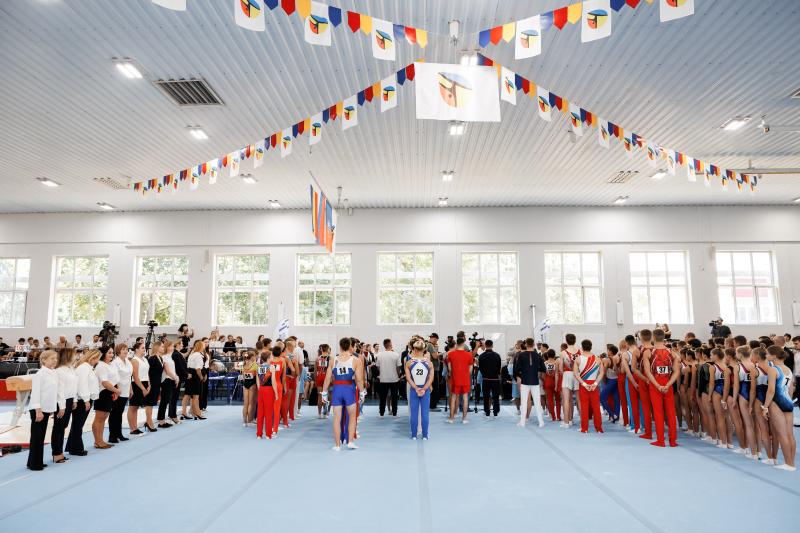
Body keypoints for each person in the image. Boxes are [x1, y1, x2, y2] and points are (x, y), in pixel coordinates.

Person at [322, 337, 365, 450]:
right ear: (350, 346)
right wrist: (362, 392)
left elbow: (327, 378)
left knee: (337, 418)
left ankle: (337, 445)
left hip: (337, 390)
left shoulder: (333, 360)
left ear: (340, 346)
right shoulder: (356, 360)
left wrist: (324, 392)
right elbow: (359, 379)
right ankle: (350, 441)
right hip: (349, 390)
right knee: (352, 417)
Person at [643, 329, 680, 447]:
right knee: (671, 412)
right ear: (664, 337)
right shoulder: (672, 353)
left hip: (655, 384)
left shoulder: (648, 352)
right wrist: (668, 384)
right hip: (668, 383)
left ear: (653, 337)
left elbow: (648, 372)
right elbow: (676, 371)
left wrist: (657, 385)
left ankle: (661, 440)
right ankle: (673, 441)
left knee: (658, 412)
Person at [762, 346, 796, 470]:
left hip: (776, 402)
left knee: (782, 434)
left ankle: (788, 463)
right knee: (790, 434)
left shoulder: (773, 369)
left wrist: (765, 407)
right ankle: (791, 463)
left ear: (774, 356)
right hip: (788, 401)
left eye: (767, 354)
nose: (766, 356)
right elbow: (791, 389)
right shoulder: (788, 369)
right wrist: (788, 401)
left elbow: (771, 390)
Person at [27, 350, 58, 470]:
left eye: (56, 358)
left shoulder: (53, 372)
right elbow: (35, 394)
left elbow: (51, 392)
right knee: (37, 437)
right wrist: (38, 410)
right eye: (52, 358)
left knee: (40, 436)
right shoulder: (40, 374)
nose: (55, 360)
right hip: (38, 409)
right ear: (44, 360)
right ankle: (35, 464)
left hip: (45, 408)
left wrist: (51, 408)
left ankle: (33, 461)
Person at [68, 349, 100, 457]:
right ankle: (76, 449)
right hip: (82, 399)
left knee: (77, 424)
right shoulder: (84, 368)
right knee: (78, 425)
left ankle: (71, 446)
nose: (97, 361)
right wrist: (86, 400)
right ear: (93, 358)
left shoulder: (87, 367)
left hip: (85, 398)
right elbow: (82, 385)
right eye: (97, 359)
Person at [51, 347, 78, 464]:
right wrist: (62, 406)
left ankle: (60, 451)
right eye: (74, 355)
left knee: (63, 426)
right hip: (61, 401)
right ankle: (56, 453)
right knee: (58, 427)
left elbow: (74, 386)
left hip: (69, 399)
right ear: (68, 356)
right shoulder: (59, 371)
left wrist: (74, 400)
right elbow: (59, 390)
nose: (76, 357)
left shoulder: (71, 369)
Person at [405, 338, 433, 440]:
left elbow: (408, 379)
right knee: (425, 413)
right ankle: (425, 435)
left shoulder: (409, 363)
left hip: (414, 390)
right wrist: (424, 389)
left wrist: (416, 388)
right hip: (425, 390)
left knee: (414, 413)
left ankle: (414, 435)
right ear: (424, 349)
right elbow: (431, 379)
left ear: (414, 349)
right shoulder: (429, 363)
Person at [574, 339, 604, 434]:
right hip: (594, 384)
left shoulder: (578, 359)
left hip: (584, 384)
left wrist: (584, 384)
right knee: (596, 406)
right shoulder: (597, 359)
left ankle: (585, 428)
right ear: (591, 347)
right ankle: (599, 428)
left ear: (582, 347)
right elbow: (601, 373)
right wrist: (595, 383)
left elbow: (576, 374)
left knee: (584, 406)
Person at [514, 338, 546, 428]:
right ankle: (541, 422)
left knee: (524, 402)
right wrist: (535, 369)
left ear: (526, 344)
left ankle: (522, 422)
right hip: (535, 381)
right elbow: (543, 369)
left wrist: (522, 373)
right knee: (537, 402)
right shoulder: (538, 355)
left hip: (525, 381)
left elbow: (517, 369)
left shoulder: (521, 355)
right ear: (534, 344)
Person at [93, 347, 119, 448]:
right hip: (102, 393)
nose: (112, 355)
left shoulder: (111, 364)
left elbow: (114, 379)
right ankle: (97, 441)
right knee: (99, 418)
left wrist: (115, 390)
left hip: (110, 392)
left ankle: (101, 440)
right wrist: (116, 390)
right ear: (103, 354)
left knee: (103, 418)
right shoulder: (101, 365)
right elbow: (104, 382)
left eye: (112, 353)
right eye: (109, 353)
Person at [256, 346, 283, 439]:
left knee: (260, 412)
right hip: (269, 390)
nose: (272, 358)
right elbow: (273, 382)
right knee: (268, 412)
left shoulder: (258, 367)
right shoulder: (271, 367)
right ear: (268, 358)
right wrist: (276, 393)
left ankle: (259, 434)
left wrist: (260, 390)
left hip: (261, 390)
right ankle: (268, 434)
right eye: (271, 356)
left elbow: (257, 382)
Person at [446, 335, 473, 424]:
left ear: (456, 344)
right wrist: (465, 374)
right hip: (465, 379)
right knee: (465, 398)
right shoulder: (469, 355)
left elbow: (449, 368)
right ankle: (464, 419)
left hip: (455, 379)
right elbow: (470, 369)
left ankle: (451, 418)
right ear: (463, 343)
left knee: (453, 397)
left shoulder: (450, 354)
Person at [109, 343, 132, 443]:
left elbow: (129, 376)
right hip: (117, 390)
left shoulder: (128, 361)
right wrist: (116, 390)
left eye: (126, 349)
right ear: (118, 351)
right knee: (114, 413)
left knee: (120, 413)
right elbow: (114, 377)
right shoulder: (115, 362)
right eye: (123, 349)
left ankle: (119, 433)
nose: (125, 351)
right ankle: (112, 436)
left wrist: (131, 389)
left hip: (126, 390)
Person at [127, 341, 150, 435]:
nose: (144, 349)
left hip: (144, 383)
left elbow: (147, 373)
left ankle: (135, 427)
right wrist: (143, 389)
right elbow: (135, 377)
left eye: (144, 348)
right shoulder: (134, 360)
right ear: (136, 350)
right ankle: (132, 428)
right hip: (137, 384)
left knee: (136, 407)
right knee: (132, 407)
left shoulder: (145, 359)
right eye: (142, 348)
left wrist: (149, 385)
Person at [559, 334, 581, 428]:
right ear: (575, 341)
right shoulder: (580, 351)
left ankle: (566, 422)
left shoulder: (563, 353)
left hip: (567, 374)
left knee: (566, 399)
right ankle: (583, 423)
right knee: (579, 400)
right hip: (577, 374)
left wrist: (564, 373)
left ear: (566, 341)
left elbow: (560, 368)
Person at [376, 338, 401, 417]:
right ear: (390, 344)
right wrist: (398, 375)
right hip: (394, 379)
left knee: (383, 397)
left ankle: (381, 413)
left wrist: (382, 373)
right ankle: (394, 413)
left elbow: (378, 367)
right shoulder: (396, 354)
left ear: (384, 345)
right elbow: (398, 367)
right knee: (394, 397)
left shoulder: (379, 355)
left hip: (383, 379)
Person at [157, 339, 180, 428]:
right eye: (171, 346)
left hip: (171, 379)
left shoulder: (170, 357)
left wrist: (176, 378)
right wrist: (175, 378)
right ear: (167, 347)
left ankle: (163, 419)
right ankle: (161, 421)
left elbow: (173, 370)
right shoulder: (164, 357)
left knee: (167, 400)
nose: (173, 348)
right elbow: (167, 371)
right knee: (164, 401)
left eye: (173, 346)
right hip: (166, 380)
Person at [182, 340, 205, 420]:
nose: (204, 347)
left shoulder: (192, 354)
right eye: (203, 345)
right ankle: (198, 413)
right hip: (195, 375)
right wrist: (201, 377)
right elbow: (198, 369)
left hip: (190, 373)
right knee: (196, 395)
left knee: (188, 394)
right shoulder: (198, 355)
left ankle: (188, 412)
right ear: (201, 346)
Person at [478, 339, 502, 417]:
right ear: (492, 345)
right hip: (495, 379)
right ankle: (496, 411)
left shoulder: (481, 356)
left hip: (486, 379)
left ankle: (487, 411)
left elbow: (480, 368)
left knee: (486, 396)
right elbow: (499, 367)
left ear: (485, 345)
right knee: (496, 396)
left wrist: (484, 374)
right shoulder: (497, 355)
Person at [145, 341, 165, 431]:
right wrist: (149, 384)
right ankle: (149, 421)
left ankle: (148, 421)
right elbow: (147, 372)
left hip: (157, 383)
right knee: (149, 403)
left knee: (152, 403)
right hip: (152, 384)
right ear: (157, 347)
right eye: (162, 346)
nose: (163, 348)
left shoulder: (160, 358)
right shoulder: (152, 358)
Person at [599, 345, 620, 424]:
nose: (607, 351)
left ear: (610, 351)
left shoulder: (606, 359)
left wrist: (604, 380)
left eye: (608, 350)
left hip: (611, 380)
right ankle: (616, 415)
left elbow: (604, 372)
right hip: (617, 379)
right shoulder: (617, 358)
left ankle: (612, 414)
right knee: (616, 399)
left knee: (602, 397)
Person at [169, 341, 187, 425]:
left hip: (178, 377)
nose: (183, 345)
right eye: (181, 344)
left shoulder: (177, 353)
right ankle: (173, 415)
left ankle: (172, 415)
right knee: (174, 397)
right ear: (177, 345)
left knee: (174, 397)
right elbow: (179, 367)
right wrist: (186, 374)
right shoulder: (176, 354)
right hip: (176, 377)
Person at [241, 350, 259, 427]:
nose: (255, 357)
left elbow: (243, 378)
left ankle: (245, 421)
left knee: (245, 404)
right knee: (251, 403)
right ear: (252, 357)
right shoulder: (255, 365)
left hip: (245, 385)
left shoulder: (244, 365)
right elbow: (258, 377)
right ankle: (250, 421)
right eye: (254, 356)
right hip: (252, 384)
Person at [542, 350, 561, 421]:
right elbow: (559, 373)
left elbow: (543, 375)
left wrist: (546, 381)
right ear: (554, 355)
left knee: (550, 400)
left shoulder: (545, 363)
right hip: (556, 381)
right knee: (558, 400)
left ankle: (553, 417)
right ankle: (558, 416)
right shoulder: (557, 363)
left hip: (548, 381)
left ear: (547, 355)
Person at [315, 344, 331, 418]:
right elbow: (331, 370)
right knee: (325, 395)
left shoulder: (317, 358)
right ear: (328, 349)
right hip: (326, 376)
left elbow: (315, 371)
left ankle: (319, 414)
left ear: (321, 349)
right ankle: (325, 413)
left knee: (319, 396)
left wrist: (315, 380)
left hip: (319, 376)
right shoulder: (330, 358)